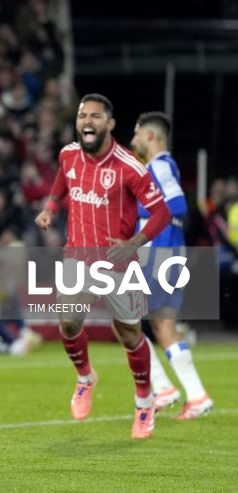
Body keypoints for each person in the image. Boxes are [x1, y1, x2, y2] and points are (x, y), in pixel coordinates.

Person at [35, 93, 172, 440]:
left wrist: (134, 244)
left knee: (129, 335)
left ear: (110, 124)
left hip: (118, 264)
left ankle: (144, 401)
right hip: (78, 256)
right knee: (68, 321)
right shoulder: (68, 154)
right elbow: (62, 181)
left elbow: (162, 212)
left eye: (95, 116)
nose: (87, 121)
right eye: (83, 115)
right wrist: (51, 207)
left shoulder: (130, 166)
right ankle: (85, 377)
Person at [130, 111, 213, 419]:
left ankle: (164, 388)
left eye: (137, 134)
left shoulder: (160, 166)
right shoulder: (161, 167)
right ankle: (195, 395)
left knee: (125, 319)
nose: (133, 140)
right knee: (161, 326)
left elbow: (177, 204)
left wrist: (141, 212)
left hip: (160, 253)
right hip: (167, 251)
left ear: (150, 136)